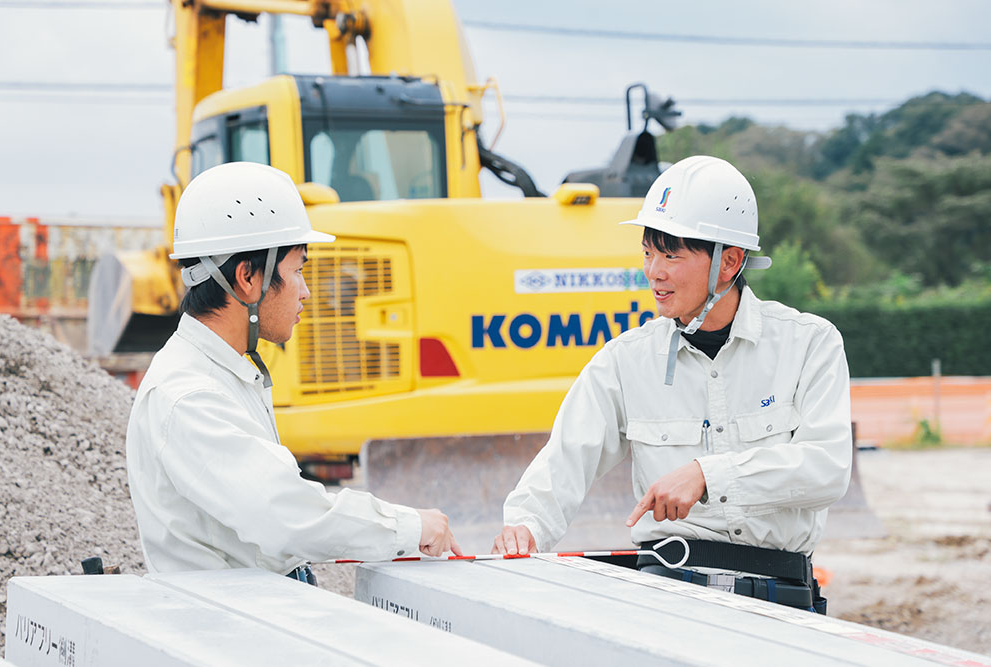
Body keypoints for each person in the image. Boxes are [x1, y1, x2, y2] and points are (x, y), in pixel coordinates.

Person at [492, 155, 851, 612]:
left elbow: (827, 467)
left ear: (729, 262)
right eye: (648, 252)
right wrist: (525, 526)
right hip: (666, 599)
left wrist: (707, 475)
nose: (653, 271)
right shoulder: (624, 361)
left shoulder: (809, 344)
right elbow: (565, 459)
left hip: (781, 599)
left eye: (671, 254)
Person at [126, 162, 461, 582]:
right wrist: (409, 526)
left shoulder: (223, 372)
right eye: (297, 270)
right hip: (228, 618)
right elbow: (285, 515)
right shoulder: (188, 396)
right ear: (248, 277)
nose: (305, 291)